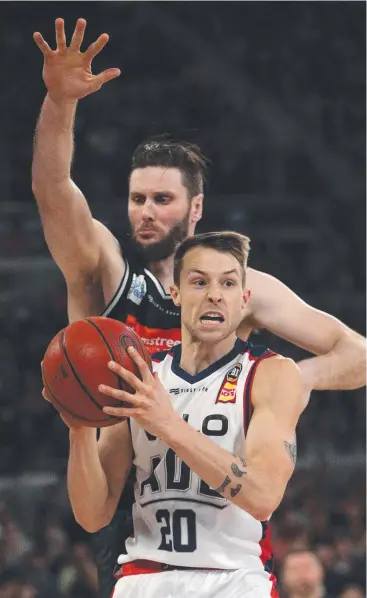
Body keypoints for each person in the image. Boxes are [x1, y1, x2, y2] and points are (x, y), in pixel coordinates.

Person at [32, 18, 366, 597]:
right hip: (130, 486)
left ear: (195, 209)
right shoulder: (105, 269)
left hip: (218, 492)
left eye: (163, 200)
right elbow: (54, 189)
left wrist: (274, 386)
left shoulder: (241, 290)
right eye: (137, 199)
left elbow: (355, 355)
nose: (146, 212)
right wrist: (60, 102)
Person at [56, 231, 305, 598]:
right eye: (199, 281)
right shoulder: (139, 377)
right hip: (144, 577)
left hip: (233, 578)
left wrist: (169, 425)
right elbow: (93, 515)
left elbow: (263, 496)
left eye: (229, 283)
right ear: (175, 294)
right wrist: (79, 428)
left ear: (243, 299)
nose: (215, 294)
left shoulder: (272, 374)